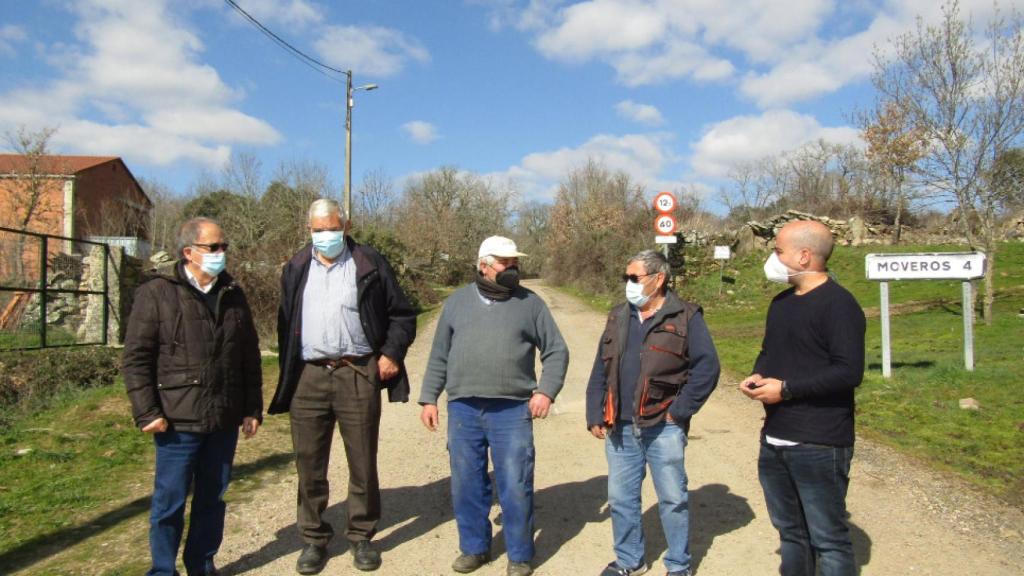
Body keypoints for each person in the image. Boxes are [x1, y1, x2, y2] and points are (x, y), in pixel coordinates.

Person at [269, 198, 416, 574]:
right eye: (319, 230)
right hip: (309, 376)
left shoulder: (369, 262)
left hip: (357, 371)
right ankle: (314, 539)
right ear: (309, 231)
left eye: (332, 228)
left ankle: (362, 536)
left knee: (362, 461)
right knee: (308, 463)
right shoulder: (297, 266)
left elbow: (402, 314)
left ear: (346, 227)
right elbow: (286, 322)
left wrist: (391, 354)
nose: (326, 236)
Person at [419, 236, 569, 576]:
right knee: (467, 483)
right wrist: (429, 397)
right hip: (463, 409)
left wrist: (545, 391)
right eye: (506, 263)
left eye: (514, 262)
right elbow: (439, 354)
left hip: (513, 410)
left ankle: (519, 554)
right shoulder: (456, 303)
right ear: (484, 265)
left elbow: (556, 351)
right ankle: (474, 548)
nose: (513, 268)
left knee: (515, 482)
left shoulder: (530, 304)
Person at [122, 217, 263, 576]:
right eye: (212, 247)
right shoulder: (157, 292)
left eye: (223, 247)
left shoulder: (232, 293)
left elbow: (248, 355)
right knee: (169, 503)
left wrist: (251, 408)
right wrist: (146, 412)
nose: (220, 254)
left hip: (223, 417)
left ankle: (202, 565)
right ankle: (163, 570)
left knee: (211, 501)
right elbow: (136, 358)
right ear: (188, 252)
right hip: (176, 419)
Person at [740, 220, 866, 576]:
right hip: (775, 438)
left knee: (828, 539)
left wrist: (786, 389)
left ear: (805, 255)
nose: (773, 258)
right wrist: (758, 376)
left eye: (778, 251)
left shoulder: (839, 305)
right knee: (791, 533)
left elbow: (848, 372)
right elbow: (770, 353)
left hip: (819, 443)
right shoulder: (780, 304)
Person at [585, 249, 720, 576]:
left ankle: (678, 565)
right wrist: (594, 411)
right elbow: (600, 370)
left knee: (673, 499)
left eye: (634, 278)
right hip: (620, 426)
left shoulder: (686, 316)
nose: (627, 284)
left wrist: (680, 411)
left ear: (658, 279)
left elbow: (708, 368)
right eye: (626, 277)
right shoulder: (619, 316)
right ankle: (630, 561)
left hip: (664, 426)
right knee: (621, 500)